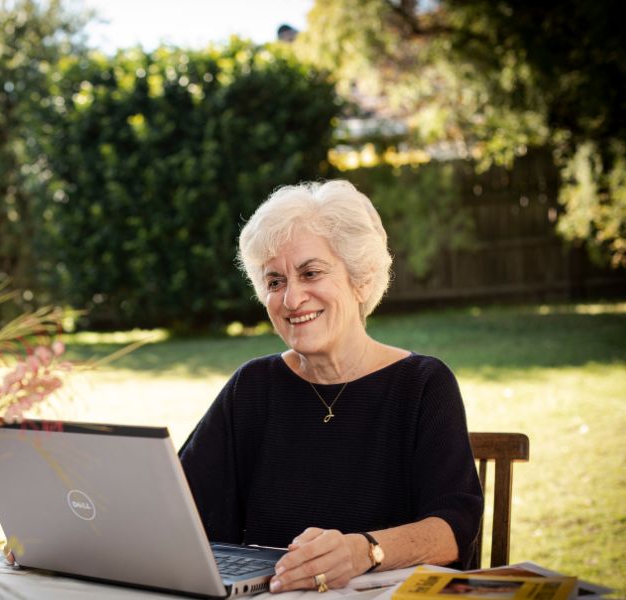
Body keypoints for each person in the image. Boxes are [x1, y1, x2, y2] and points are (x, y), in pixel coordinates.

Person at [178, 180, 483, 594]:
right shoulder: (252, 387)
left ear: (361, 278)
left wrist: (365, 550)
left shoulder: (423, 384)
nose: (291, 299)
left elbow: (454, 527)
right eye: (274, 282)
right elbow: (181, 506)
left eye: (310, 273)